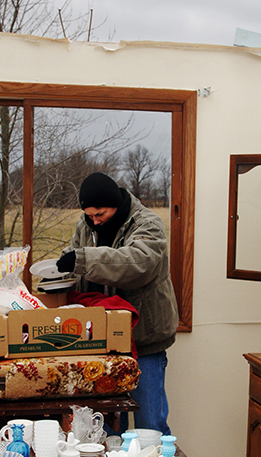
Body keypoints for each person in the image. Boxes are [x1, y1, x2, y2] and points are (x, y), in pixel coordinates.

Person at [56, 171, 178, 434]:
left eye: (100, 214)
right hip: (101, 341)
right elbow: (75, 258)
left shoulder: (148, 224)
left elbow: (137, 263)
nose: (95, 221)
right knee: (104, 427)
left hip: (143, 340)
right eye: (89, 215)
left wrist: (83, 260)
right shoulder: (86, 224)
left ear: (115, 204)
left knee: (149, 425)